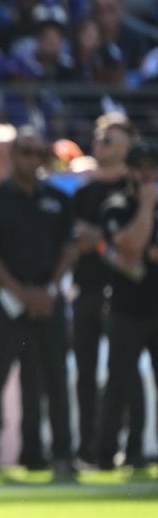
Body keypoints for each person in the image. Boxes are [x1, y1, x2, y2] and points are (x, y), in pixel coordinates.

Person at [0, 126, 78, 481]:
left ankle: (61, 455)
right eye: (25, 152)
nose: (32, 160)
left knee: (55, 380)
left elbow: (69, 248)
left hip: (47, 297)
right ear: (13, 155)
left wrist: (49, 289)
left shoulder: (59, 200)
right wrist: (22, 293)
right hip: (7, 300)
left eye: (38, 153)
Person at [71, 113, 144, 468]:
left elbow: (110, 243)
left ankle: (133, 450)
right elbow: (76, 240)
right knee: (86, 374)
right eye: (99, 138)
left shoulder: (133, 192)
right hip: (88, 288)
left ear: (129, 145)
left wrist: (99, 240)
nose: (101, 144)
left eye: (110, 139)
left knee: (127, 376)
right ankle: (89, 449)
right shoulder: (85, 192)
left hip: (130, 296)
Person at [95, 139, 158, 471]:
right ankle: (107, 454)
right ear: (130, 170)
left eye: (152, 166)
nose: (147, 173)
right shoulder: (116, 205)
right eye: (141, 166)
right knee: (119, 384)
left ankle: (138, 452)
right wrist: (147, 207)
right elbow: (130, 247)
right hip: (125, 309)